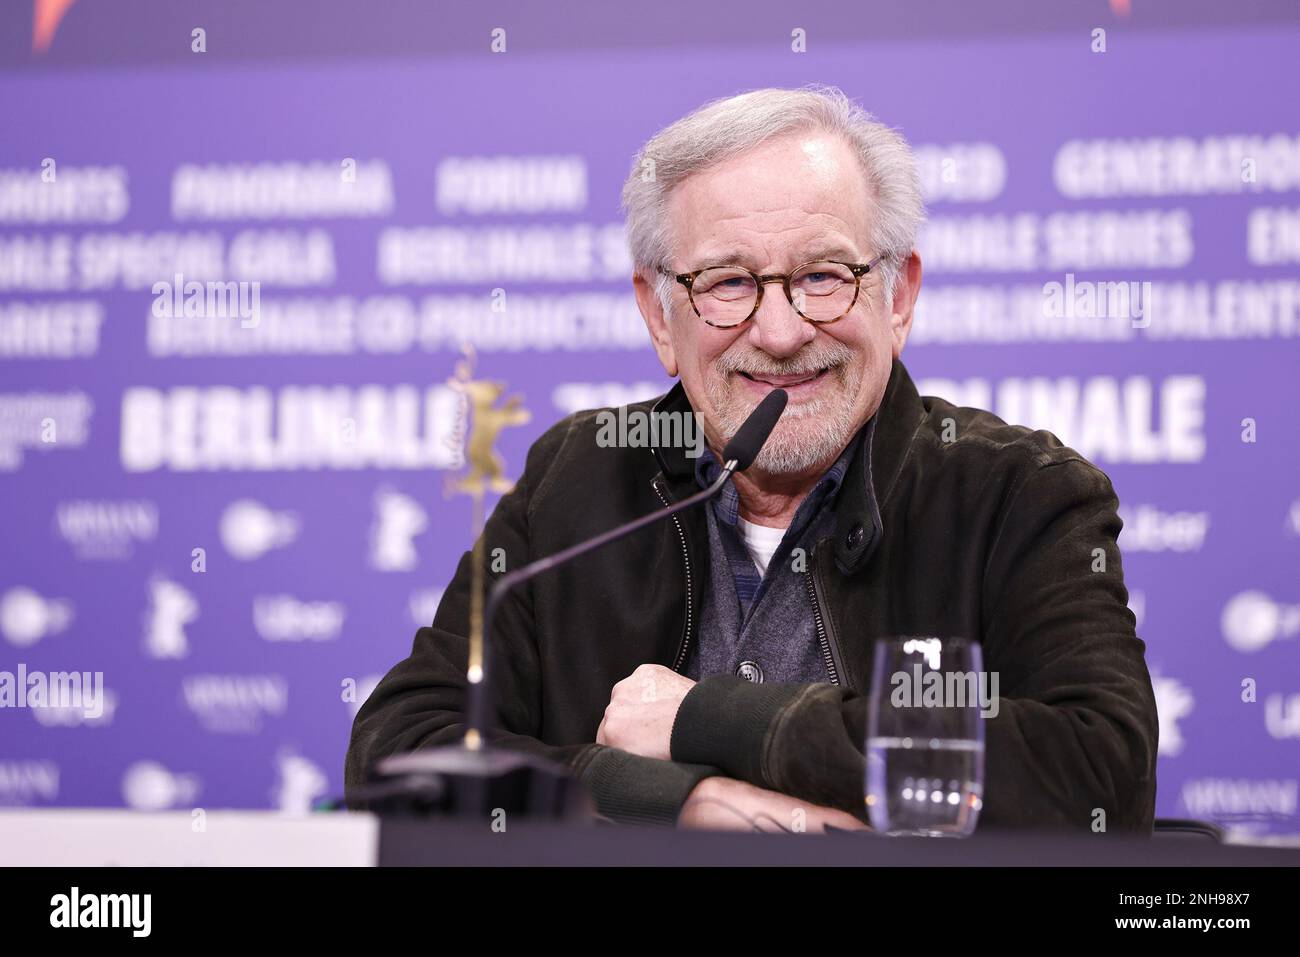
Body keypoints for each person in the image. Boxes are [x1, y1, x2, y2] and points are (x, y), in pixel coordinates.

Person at [346, 84, 1158, 832]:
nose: (780, 332)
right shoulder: (577, 479)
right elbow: (402, 748)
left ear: (898, 295)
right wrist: (673, 797)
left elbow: (1099, 773)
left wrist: (713, 720)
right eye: (729, 283)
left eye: (823, 275)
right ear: (660, 316)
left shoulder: (1019, 495)